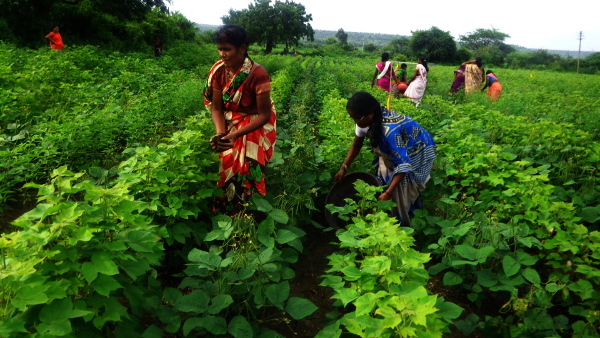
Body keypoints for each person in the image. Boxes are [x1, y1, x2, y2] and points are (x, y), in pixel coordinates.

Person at [203, 25, 277, 215]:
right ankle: (226, 212)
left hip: (253, 123)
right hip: (230, 121)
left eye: (227, 49)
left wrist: (235, 135)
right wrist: (221, 134)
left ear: (242, 48)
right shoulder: (219, 72)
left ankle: (249, 212)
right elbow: (217, 107)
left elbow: (264, 115)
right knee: (226, 167)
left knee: (248, 167)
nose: (222, 54)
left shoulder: (258, 75)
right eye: (220, 49)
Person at [334, 91, 436, 227]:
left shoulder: (389, 132)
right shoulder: (365, 122)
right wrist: (343, 167)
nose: (355, 122)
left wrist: (389, 192)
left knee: (403, 191)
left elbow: (404, 164)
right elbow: (356, 144)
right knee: (386, 176)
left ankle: (405, 224)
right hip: (400, 151)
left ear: (370, 114)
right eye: (352, 118)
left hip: (418, 151)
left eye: (357, 118)